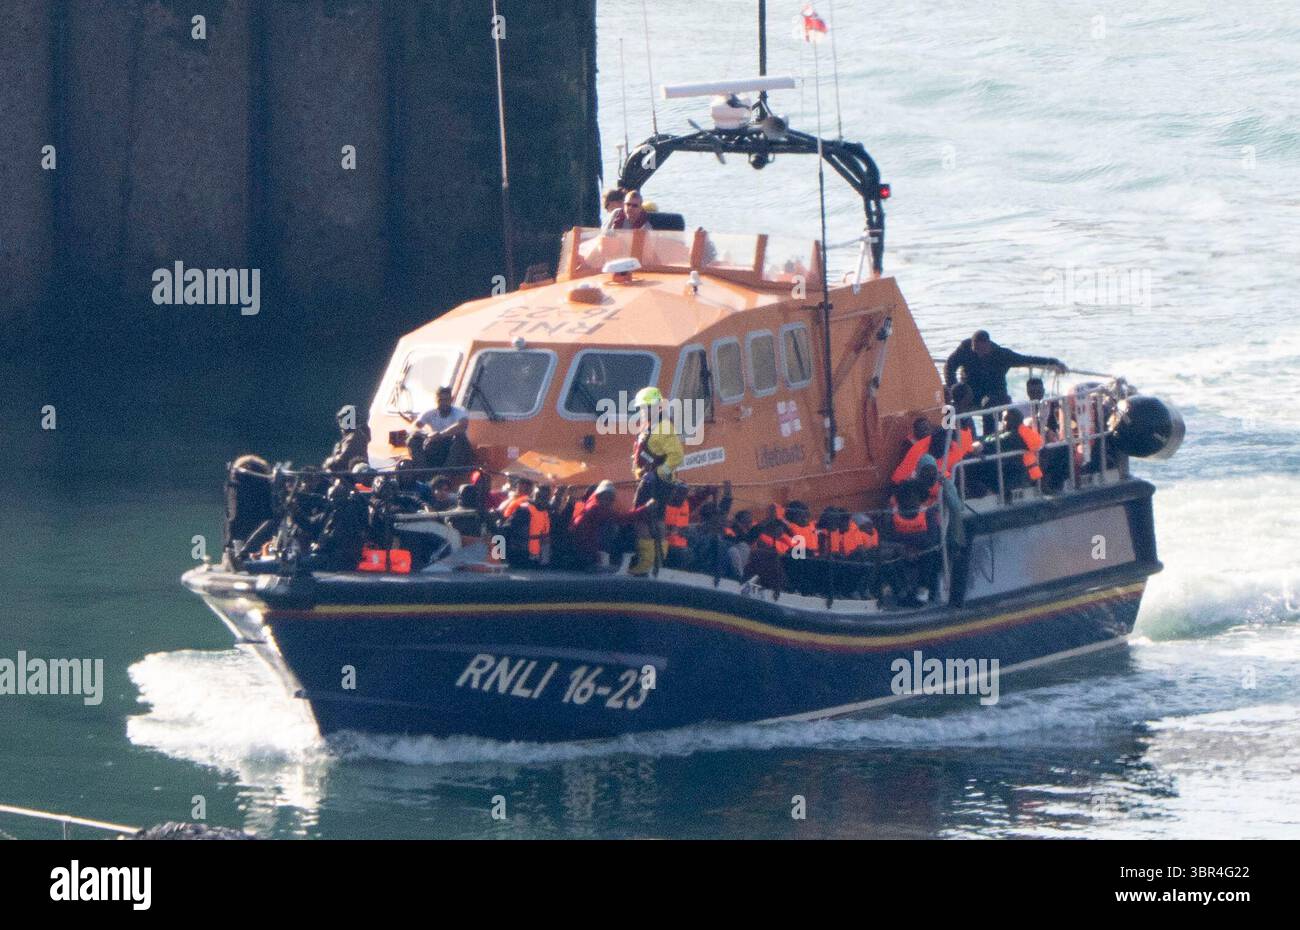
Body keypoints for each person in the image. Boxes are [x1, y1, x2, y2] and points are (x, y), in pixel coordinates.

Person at [944, 330, 1065, 431]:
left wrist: (1053, 362)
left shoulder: (1002, 355)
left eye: (982, 350)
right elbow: (949, 366)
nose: (979, 354)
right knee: (948, 403)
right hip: (970, 392)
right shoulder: (965, 349)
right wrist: (954, 388)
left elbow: (1026, 359)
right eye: (976, 350)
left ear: (988, 345)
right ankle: (948, 434)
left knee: (989, 406)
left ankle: (988, 439)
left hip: (995, 394)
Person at [629, 386, 684, 574]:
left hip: (656, 483)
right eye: (642, 408)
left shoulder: (663, 428)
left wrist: (659, 473)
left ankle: (647, 562)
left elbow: (676, 456)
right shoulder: (651, 427)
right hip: (651, 480)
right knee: (656, 519)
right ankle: (656, 562)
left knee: (643, 519)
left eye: (646, 407)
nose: (643, 411)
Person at [564, 480, 654, 571]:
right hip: (583, 550)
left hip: (579, 546)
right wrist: (645, 508)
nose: (610, 501)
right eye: (607, 498)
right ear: (599, 496)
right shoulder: (597, 508)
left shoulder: (591, 505)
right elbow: (621, 518)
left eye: (611, 499)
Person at [409, 386, 472, 470]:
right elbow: (414, 427)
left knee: (460, 438)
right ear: (436, 400)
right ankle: (423, 472)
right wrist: (427, 435)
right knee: (412, 439)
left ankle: (446, 473)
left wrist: (441, 435)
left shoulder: (459, 412)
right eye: (440, 400)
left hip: (454, 449)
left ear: (451, 400)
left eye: (446, 400)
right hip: (437, 447)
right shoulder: (430, 413)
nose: (443, 403)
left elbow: (462, 425)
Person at [323, 406, 371, 472]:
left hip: (349, 477)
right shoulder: (349, 436)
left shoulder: (355, 437)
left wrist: (329, 461)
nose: (340, 422)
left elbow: (342, 459)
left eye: (342, 419)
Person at [891, 416, 934, 484]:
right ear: (915, 432)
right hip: (906, 481)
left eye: (928, 429)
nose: (926, 432)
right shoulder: (908, 444)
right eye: (922, 430)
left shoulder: (932, 439)